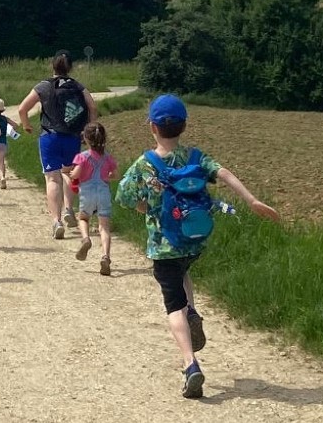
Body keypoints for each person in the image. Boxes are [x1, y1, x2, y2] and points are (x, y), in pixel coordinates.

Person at [117, 95, 280, 399]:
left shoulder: (144, 164)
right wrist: (251, 200)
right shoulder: (195, 157)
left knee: (172, 307)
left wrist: (147, 208)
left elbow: (125, 197)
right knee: (183, 270)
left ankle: (190, 364)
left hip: (164, 246)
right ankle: (192, 309)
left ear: (152, 127)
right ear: (184, 126)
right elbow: (224, 173)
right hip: (194, 243)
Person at [18, 51, 97, 241]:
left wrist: (27, 125)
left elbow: (22, 109)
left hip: (50, 136)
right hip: (72, 137)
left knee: (52, 179)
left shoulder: (43, 86)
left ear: (52, 66)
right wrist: (89, 129)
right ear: (70, 67)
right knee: (68, 172)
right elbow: (93, 107)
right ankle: (69, 209)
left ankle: (57, 221)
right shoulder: (78, 86)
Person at [63, 122, 118, 274]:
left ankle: (86, 239)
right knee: (104, 227)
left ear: (86, 139)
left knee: (83, 218)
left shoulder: (82, 157)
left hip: (87, 193)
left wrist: (71, 174)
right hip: (104, 192)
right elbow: (116, 175)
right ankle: (106, 256)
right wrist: (107, 176)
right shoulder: (108, 158)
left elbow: (76, 174)